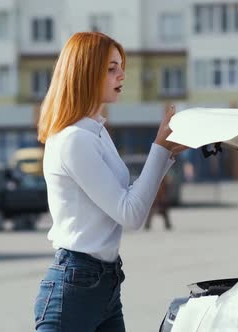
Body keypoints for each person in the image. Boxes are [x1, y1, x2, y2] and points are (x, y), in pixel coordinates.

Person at [33, 32, 187, 332]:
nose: (122, 75)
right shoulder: (74, 140)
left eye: (121, 66)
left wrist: (166, 153)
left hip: (104, 282)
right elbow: (130, 215)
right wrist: (160, 149)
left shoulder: (96, 133)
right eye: (111, 68)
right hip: (75, 287)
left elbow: (127, 200)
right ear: (86, 72)